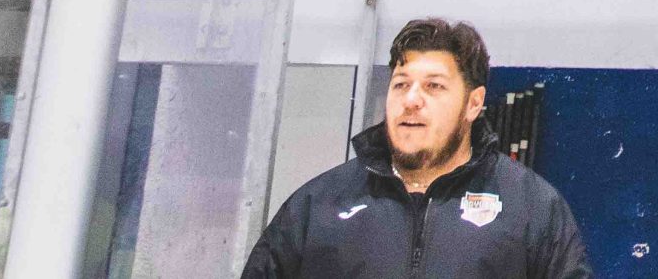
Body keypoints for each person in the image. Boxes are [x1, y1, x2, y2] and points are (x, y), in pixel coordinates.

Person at [240, 17, 590, 279]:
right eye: (401, 84)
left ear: (473, 103)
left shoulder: (531, 209)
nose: (411, 100)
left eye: (434, 86)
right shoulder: (318, 205)